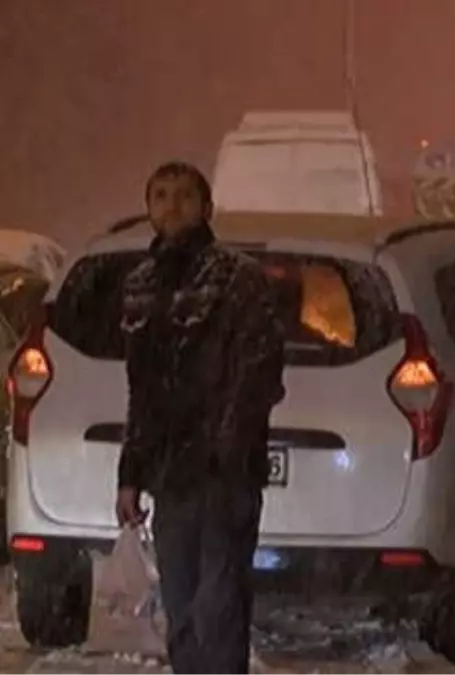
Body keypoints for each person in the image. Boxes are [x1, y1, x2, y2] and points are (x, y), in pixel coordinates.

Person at [115, 161, 286, 675]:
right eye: (161, 195)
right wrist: (131, 475)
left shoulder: (237, 279)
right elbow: (142, 390)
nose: (172, 206)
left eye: (184, 195)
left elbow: (258, 373)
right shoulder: (141, 285)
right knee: (183, 607)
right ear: (148, 208)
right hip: (171, 476)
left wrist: (227, 449)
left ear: (206, 208)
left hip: (222, 474)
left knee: (220, 604)